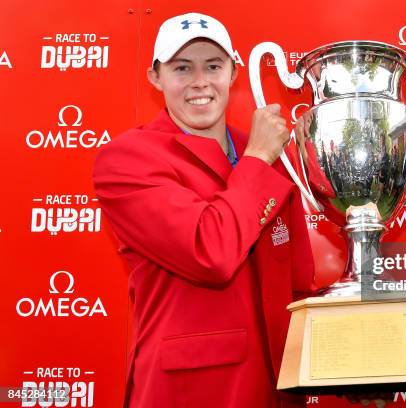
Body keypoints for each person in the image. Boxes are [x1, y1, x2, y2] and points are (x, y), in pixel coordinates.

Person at [92, 12, 316, 408]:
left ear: (232, 72)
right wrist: (259, 158)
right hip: (191, 392)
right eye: (182, 68)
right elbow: (209, 251)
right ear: (155, 77)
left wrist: (349, 370)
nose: (200, 82)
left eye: (213, 66)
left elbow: (297, 280)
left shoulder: (261, 150)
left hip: (279, 387)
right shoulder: (126, 158)